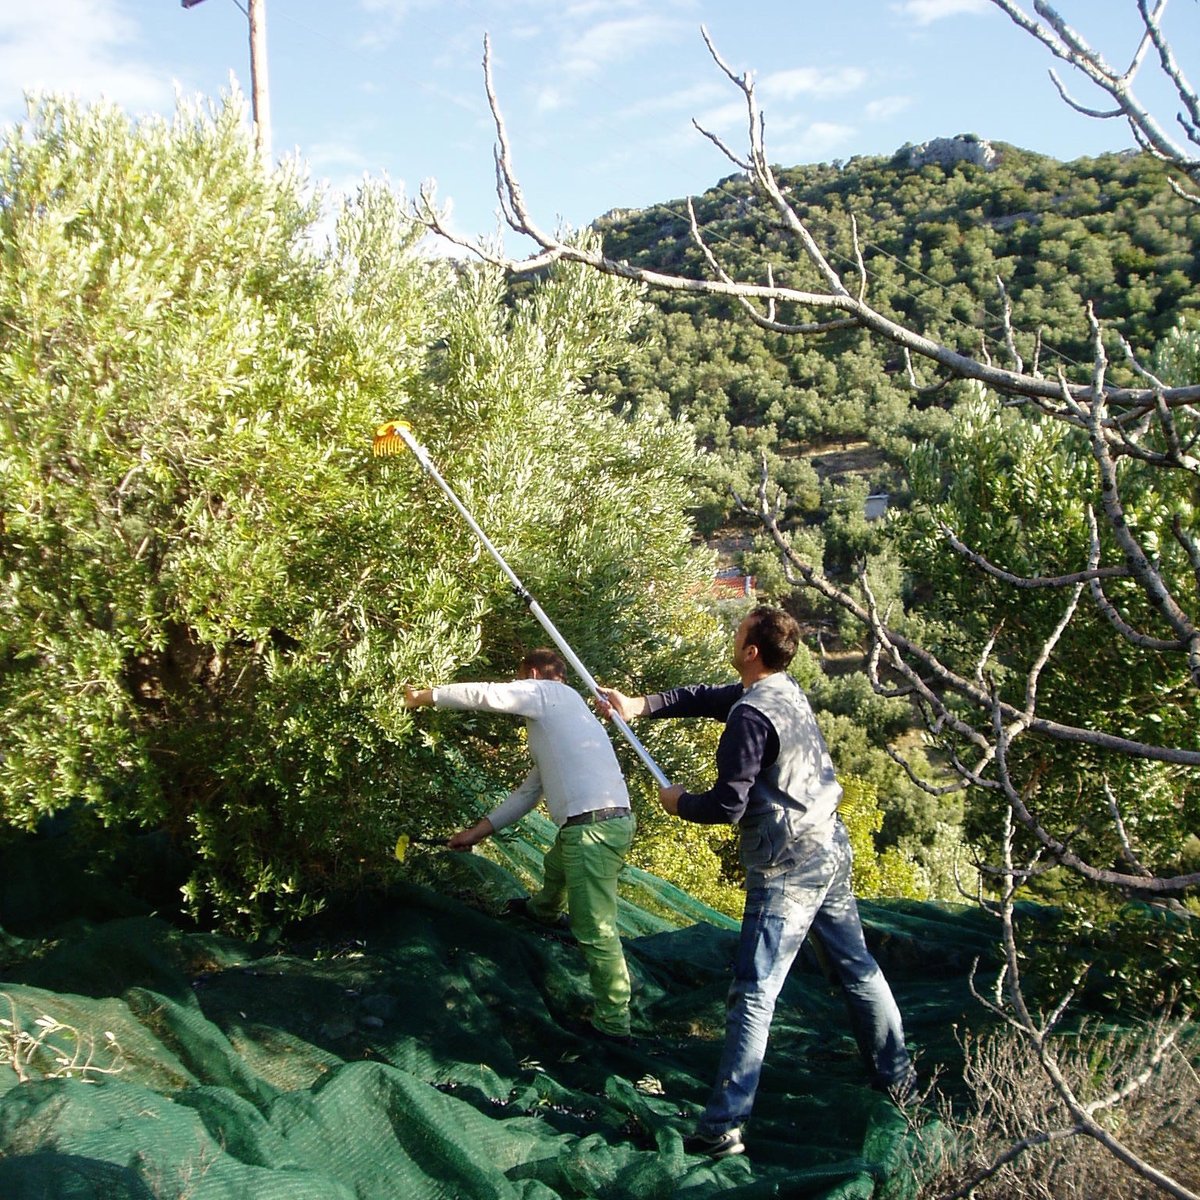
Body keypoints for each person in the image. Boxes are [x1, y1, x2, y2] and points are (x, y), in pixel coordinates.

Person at [598, 605, 915, 1158]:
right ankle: (898, 1078)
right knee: (857, 967)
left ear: (750, 651)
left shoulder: (751, 717)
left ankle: (724, 1126)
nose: (733, 633)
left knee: (754, 994)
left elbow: (726, 805)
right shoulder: (781, 691)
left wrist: (679, 804)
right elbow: (707, 697)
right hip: (830, 846)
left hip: (788, 865)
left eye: (739, 630)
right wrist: (638, 706)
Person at [403, 648, 636, 1044]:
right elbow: (529, 793)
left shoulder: (548, 694)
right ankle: (543, 912)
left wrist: (423, 697)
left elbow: (488, 694)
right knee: (558, 864)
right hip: (600, 824)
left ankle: (613, 1023)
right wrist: (475, 833)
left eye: (521, 680)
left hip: (592, 830)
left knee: (595, 928)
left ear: (531, 675)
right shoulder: (567, 716)